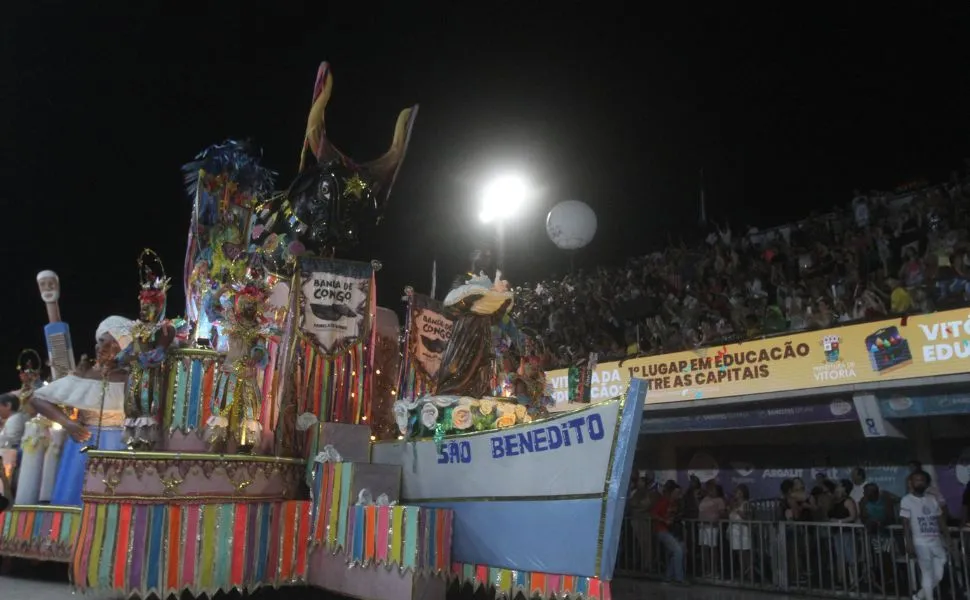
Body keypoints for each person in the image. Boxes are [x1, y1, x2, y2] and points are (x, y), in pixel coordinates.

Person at [30, 316, 132, 506]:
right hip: (84, 444)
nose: (104, 347)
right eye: (102, 341)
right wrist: (67, 423)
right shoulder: (83, 377)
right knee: (76, 497)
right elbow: (38, 398)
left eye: (113, 343)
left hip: (120, 445)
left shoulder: (131, 379)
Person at [901, 470, 949, 600]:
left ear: (926, 483)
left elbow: (940, 519)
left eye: (922, 480)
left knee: (939, 574)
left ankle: (918, 596)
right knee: (927, 573)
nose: (919, 482)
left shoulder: (932, 499)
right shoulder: (906, 500)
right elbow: (905, 523)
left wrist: (947, 537)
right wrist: (908, 542)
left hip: (936, 540)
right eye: (916, 480)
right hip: (921, 542)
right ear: (911, 483)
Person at [651, 481, 686, 584]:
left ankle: (668, 577)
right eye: (676, 492)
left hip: (670, 530)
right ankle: (679, 578)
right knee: (678, 550)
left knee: (679, 551)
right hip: (661, 530)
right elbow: (653, 514)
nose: (678, 495)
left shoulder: (675, 503)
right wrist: (664, 520)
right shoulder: (664, 501)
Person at [830, 479, 859, 588]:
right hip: (837, 532)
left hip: (847, 532)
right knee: (840, 556)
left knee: (850, 556)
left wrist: (839, 522)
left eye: (839, 486)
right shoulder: (835, 501)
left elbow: (853, 516)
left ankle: (854, 580)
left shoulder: (848, 501)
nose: (837, 488)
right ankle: (841, 580)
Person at [698, 479, 727, 578]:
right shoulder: (704, 498)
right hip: (702, 527)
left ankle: (715, 571)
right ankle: (707, 570)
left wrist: (715, 518)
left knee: (713, 549)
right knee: (704, 549)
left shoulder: (719, 500)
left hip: (712, 527)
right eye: (709, 489)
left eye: (712, 489)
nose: (710, 491)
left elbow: (722, 514)